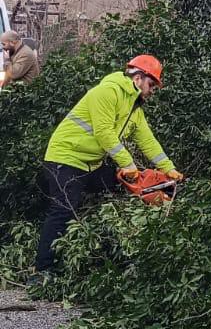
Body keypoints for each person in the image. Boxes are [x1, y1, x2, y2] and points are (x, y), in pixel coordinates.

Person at [35, 54, 182, 274]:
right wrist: (128, 164)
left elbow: (148, 141)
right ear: (138, 78)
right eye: (152, 84)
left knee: (119, 183)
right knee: (64, 209)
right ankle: (42, 270)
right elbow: (104, 133)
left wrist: (169, 169)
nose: (152, 91)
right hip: (65, 159)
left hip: (90, 165)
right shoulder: (107, 92)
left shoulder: (134, 109)